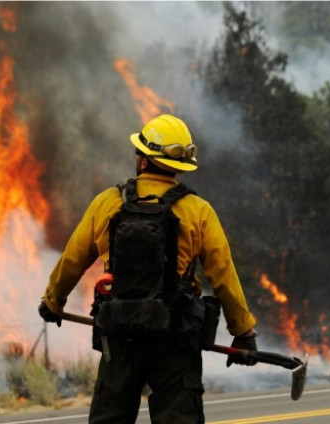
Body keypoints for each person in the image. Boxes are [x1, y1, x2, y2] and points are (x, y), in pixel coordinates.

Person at [38, 114, 257, 423]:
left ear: (143, 160)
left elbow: (71, 261)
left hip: (119, 335)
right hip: (175, 339)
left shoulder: (107, 203)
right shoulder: (198, 211)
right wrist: (243, 331)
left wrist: (52, 302)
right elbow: (223, 275)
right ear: (178, 165)